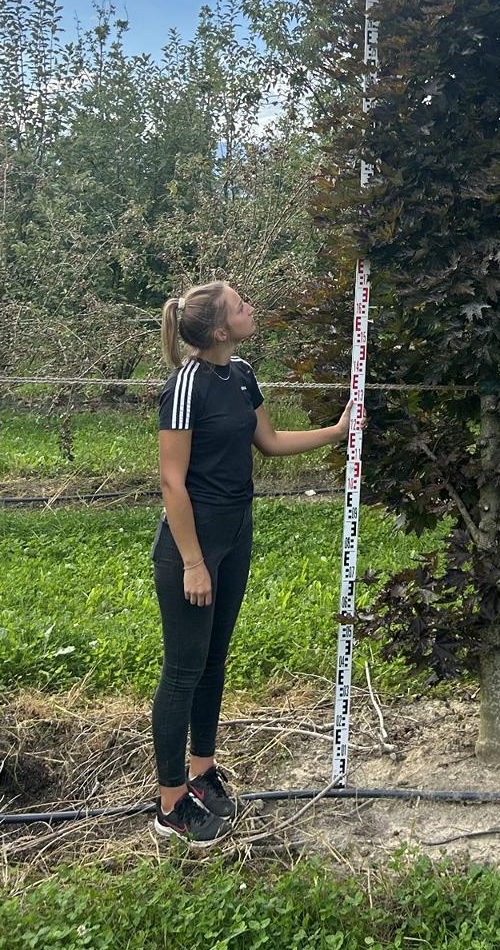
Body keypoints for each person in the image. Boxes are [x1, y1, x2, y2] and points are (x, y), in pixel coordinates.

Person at [151, 279, 353, 848]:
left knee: (214, 662)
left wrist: (336, 433)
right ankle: (170, 805)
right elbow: (171, 480)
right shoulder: (185, 385)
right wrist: (193, 561)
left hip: (236, 535)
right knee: (183, 669)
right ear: (218, 329)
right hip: (193, 546)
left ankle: (201, 772)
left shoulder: (240, 375)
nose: (250, 309)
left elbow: (267, 440)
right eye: (240, 306)